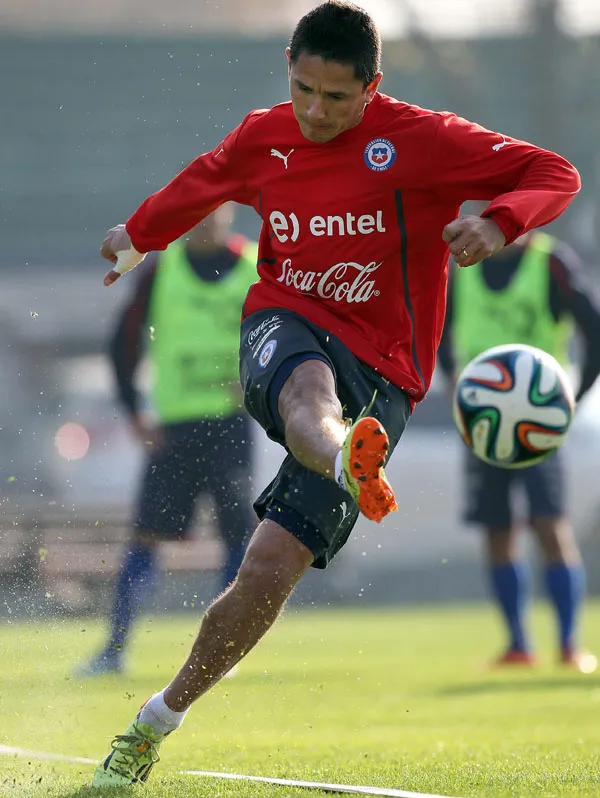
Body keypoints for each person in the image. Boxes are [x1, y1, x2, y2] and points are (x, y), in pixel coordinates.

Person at [91, 1, 582, 787]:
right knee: (305, 392)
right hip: (285, 321)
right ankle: (344, 461)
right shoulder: (264, 134)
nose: (315, 112)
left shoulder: (424, 140)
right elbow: (203, 181)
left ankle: (156, 719)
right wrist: (139, 234)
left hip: (387, 373)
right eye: (302, 90)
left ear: (373, 87)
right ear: (288, 65)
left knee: (266, 572)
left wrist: (498, 223)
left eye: (337, 98)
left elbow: (555, 172)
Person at [77, 206, 259, 677]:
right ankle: (113, 650)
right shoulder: (160, 270)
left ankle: (224, 651)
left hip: (230, 425)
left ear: (230, 212)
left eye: (212, 210)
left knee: (237, 533)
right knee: (146, 535)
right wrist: (136, 412)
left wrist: (260, 385)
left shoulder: (257, 266)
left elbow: (281, 334)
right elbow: (124, 345)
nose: (202, 220)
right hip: (173, 430)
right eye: (194, 211)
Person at [437, 224, 600, 673]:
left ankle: (570, 645)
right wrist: (452, 373)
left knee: (550, 525)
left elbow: (594, 329)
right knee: (497, 530)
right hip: (483, 426)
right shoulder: (462, 264)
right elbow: (437, 329)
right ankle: (518, 645)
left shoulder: (550, 262)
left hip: (539, 428)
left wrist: (572, 399)